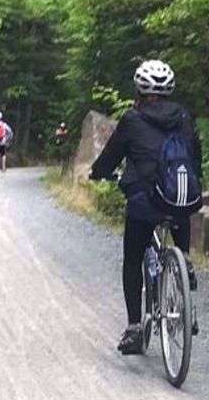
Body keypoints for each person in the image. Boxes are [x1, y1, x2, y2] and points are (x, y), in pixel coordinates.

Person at [87, 59, 202, 355]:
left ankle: (135, 328)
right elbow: (195, 160)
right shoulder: (185, 118)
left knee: (132, 257)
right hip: (181, 197)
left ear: (138, 90)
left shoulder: (132, 119)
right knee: (179, 212)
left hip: (144, 201)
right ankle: (184, 261)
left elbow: (111, 156)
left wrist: (98, 172)